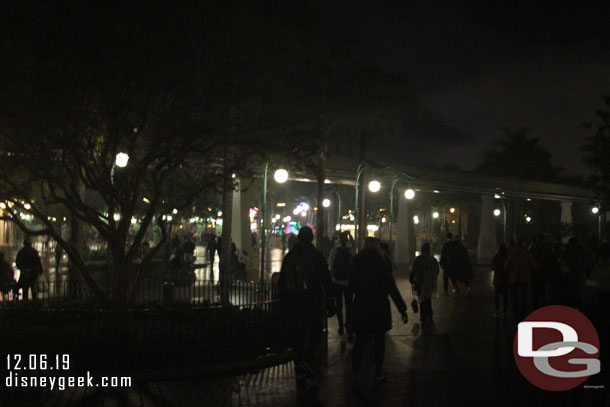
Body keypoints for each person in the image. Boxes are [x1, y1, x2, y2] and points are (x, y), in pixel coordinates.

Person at [278, 226, 333, 405]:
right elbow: (326, 279)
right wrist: (331, 302)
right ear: (311, 238)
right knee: (316, 332)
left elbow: (281, 283)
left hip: (294, 303)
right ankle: (307, 361)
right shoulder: (317, 256)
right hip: (313, 302)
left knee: (298, 335)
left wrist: (283, 303)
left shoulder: (290, 257)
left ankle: (300, 366)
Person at [350, 237, 408, 392]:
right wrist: (402, 308)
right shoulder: (382, 263)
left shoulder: (356, 261)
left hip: (361, 305)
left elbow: (351, 283)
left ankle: (355, 372)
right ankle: (377, 372)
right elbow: (391, 287)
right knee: (379, 340)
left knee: (360, 341)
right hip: (378, 306)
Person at [329, 232, 353, 340]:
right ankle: (348, 323)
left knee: (338, 304)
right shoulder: (350, 250)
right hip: (348, 282)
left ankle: (340, 326)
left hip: (336, 281)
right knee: (349, 305)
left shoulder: (334, 251)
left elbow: (330, 263)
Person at [505, 238, 536, 321]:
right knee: (524, 297)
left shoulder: (512, 254)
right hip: (525, 278)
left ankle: (515, 313)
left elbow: (507, 266)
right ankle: (522, 313)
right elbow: (533, 265)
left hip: (514, 278)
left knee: (515, 297)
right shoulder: (527, 254)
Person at [410, 243, 439, 323]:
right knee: (428, 298)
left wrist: (412, 280)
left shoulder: (418, 259)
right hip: (430, 283)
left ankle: (423, 315)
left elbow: (412, 271)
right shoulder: (433, 260)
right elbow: (437, 271)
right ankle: (429, 314)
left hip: (420, 282)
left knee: (422, 299)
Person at [491, 243, 510, 317]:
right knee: (505, 296)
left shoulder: (495, 257)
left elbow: (492, 267)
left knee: (497, 296)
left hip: (497, 279)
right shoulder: (508, 256)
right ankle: (504, 311)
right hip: (505, 279)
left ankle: (497, 310)